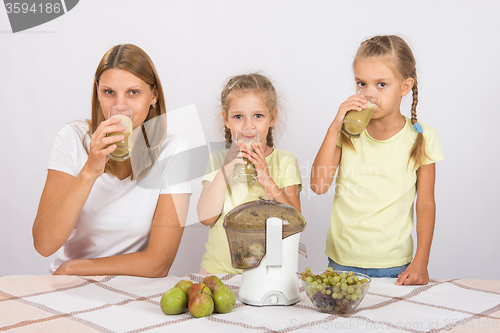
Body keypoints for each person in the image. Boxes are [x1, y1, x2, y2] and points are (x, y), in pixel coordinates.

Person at [32, 44, 191, 277]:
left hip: (126, 286)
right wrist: (89, 170)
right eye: (109, 92)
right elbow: (44, 244)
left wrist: (76, 267)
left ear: (154, 95)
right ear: (97, 93)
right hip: (67, 286)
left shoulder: (173, 151)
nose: (120, 106)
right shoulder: (72, 138)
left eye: (133, 92)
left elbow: (158, 263)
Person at [310, 35, 443, 285]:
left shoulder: (422, 137)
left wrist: (421, 262)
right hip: (341, 264)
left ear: (405, 86)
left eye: (381, 84)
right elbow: (318, 186)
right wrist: (334, 126)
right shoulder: (347, 131)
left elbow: (426, 204)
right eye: (362, 84)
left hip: (394, 267)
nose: (369, 93)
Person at [197, 73, 302, 274]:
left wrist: (267, 179)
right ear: (226, 119)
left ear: (272, 117)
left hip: (267, 274)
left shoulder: (285, 161)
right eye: (238, 117)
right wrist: (226, 169)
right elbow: (205, 217)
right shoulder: (218, 159)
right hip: (216, 272)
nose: (248, 126)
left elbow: (295, 222)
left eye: (258, 116)